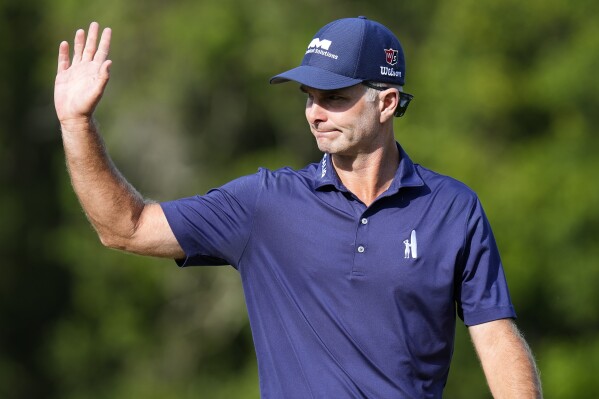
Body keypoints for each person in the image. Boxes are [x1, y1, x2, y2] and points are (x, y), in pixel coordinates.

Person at [54, 16, 542, 398]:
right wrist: (77, 124)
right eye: (309, 97)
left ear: (387, 102)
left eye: (334, 97)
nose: (314, 112)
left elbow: (496, 336)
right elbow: (126, 226)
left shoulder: (453, 209)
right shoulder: (264, 203)